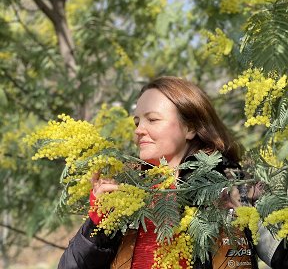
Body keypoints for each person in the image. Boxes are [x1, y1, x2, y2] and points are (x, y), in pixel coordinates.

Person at [58, 76, 287, 269]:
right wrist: (97, 224)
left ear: (190, 128)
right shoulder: (126, 192)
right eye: (137, 121)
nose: (139, 130)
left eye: (152, 119)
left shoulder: (234, 184)